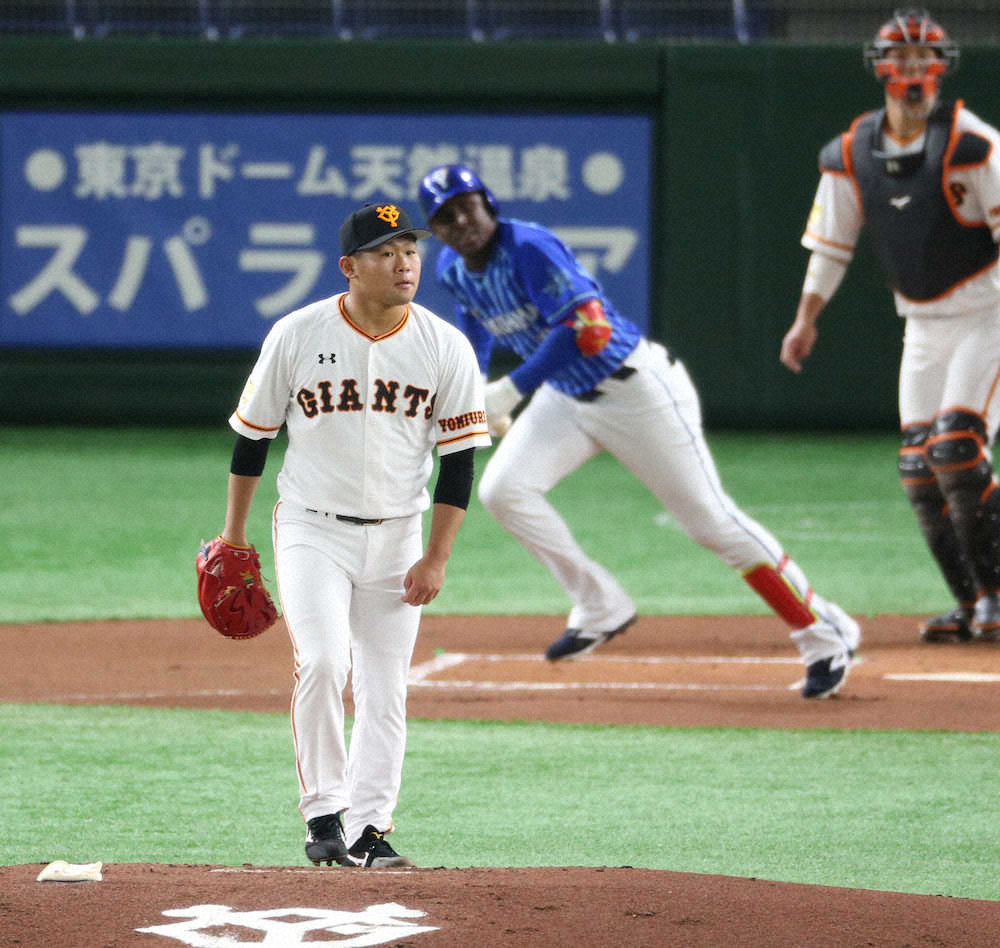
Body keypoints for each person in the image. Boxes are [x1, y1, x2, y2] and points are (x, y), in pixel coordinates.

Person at [418, 164, 861, 699]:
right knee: (503, 490)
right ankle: (600, 603)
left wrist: (510, 391)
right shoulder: (452, 268)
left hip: (635, 391)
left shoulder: (530, 247)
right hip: (566, 397)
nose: (461, 220)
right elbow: (475, 330)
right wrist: (478, 388)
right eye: (445, 216)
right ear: (436, 230)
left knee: (712, 523)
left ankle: (823, 633)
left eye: (467, 205)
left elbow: (585, 327)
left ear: (488, 203)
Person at [219, 202, 490, 867]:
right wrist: (233, 535)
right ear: (349, 267)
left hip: (399, 535)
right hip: (313, 528)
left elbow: (460, 464)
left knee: (383, 684)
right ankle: (323, 815)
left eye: (411, 251)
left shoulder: (444, 345)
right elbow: (252, 439)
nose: (405, 264)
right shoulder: (297, 333)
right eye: (387, 252)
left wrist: (437, 556)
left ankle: (372, 830)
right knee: (321, 661)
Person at [780, 8, 1000, 643]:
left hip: (985, 315)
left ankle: (998, 594)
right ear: (880, 68)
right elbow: (831, 246)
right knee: (918, 468)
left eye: (924, 58)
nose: (912, 70)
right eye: (900, 58)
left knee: (958, 449)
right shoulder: (852, 153)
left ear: (942, 68)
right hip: (924, 325)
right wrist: (805, 321)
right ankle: (971, 601)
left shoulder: (972, 144)